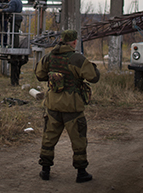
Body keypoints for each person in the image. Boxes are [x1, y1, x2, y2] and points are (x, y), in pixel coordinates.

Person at [34, 29, 101, 183]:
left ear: (62, 40)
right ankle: (81, 172)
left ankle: (45, 170)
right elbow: (94, 77)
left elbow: (39, 75)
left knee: (49, 138)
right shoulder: (77, 58)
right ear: (74, 42)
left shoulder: (49, 57)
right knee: (78, 139)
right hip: (72, 107)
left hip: (52, 105)